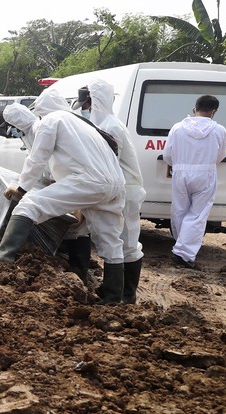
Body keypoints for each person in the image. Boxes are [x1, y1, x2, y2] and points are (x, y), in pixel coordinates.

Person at [0, 93, 126, 304]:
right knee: (110, 240)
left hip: (88, 180)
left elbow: (37, 158)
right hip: (114, 183)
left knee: (30, 205)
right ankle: (113, 298)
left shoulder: (51, 120)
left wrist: (22, 188)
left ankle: (3, 255)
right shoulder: (80, 123)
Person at [74, 81, 148, 303]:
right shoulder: (104, 124)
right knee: (116, 240)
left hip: (125, 190)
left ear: (94, 102)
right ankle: (115, 292)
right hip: (120, 189)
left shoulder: (111, 127)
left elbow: (106, 165)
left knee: (126, 243)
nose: (85, 110)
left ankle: (124, 295)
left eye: (87, 105)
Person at [164, 94, 226, 269]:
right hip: (205, 173)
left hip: (180, 172)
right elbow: (220, 156)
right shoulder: (219, 130)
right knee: (198, 215)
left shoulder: (177, 128)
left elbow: (167, 155)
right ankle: (183, 253)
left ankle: (181, 244)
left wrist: (179, 165)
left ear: (194, 109)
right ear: (214, 112)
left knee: (179, 210)